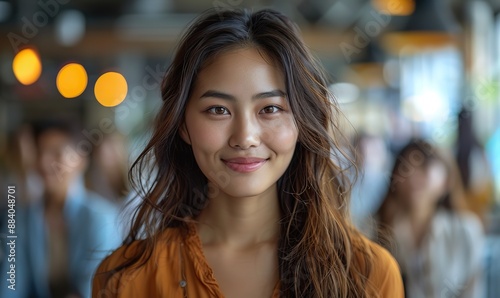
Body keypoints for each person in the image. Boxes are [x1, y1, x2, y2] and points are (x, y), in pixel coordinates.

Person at [92, 9, 403, 298]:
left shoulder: (368, 274)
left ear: (302, 123)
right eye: (218, 110)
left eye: (270, 109)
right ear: (183, 125)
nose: (245, 137)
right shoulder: (127, 280)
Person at [0, 119, 122, 298]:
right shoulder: (20, 217)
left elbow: (91, 290)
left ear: (80, 160)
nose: (44, 161)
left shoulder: (101, 218)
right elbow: (12, 283)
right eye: (40, 152)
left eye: (56, 153)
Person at [374, 139, 484, 298]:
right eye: (405, 168)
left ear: (447, 181)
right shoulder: (376, 229)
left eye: (424, 167)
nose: (413, 177)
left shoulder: (465, 230)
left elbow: (472, 290)